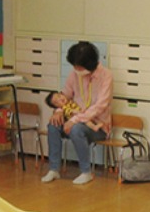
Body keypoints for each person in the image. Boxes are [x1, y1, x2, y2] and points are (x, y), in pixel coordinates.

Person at [41, 41, 113, 186]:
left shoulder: (106, 76)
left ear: (89, 64)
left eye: (78, 66)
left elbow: (100, 106)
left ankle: (86, 172)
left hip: (97, 126)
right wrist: (58, 111)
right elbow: (65, 95)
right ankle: (54, 169)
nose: (75, 69)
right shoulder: (75, 74)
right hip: (72, 119)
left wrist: (75, 120)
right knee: (53, 125)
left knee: (76, 128)